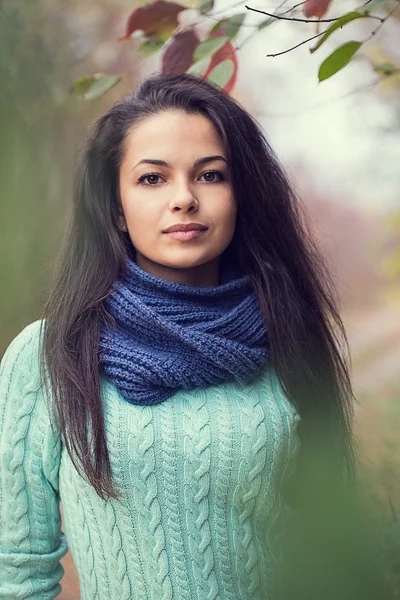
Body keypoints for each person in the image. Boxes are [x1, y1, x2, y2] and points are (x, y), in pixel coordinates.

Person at [0, 72, 368, 600]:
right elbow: (17, 574)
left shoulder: (287, 339)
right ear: (117, 209)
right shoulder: (47, 356)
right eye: (152, 179)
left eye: (211, 175)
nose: (184, 199)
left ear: (242, 197)